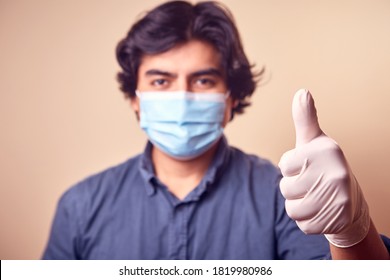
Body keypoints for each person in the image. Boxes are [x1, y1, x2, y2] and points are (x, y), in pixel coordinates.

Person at [42, 0, 390, 260]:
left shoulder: (287, 198)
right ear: (136, 97)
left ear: (231, 96)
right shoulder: (80, 205)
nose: (181, 96)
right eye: (160, 80)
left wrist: (350, 232)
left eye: (203, 79)